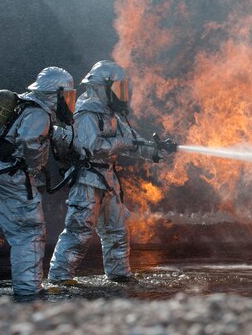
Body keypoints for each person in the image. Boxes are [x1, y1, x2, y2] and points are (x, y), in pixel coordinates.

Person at [48, 60, 176, 284]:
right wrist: (122, 142)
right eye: (117, 88)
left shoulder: (112, 116)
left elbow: (133, 143)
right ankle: (60, 279)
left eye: (122, 88)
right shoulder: (86, 113)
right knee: (79, 232)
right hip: (87, 180)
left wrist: (157, 151)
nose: (121, 94)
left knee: (117, 232)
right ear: (102, 87)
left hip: (107, 181)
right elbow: (90, 147)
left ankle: (119, 275)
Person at [0, 67, 76, 297]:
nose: (68, 100)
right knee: (29, 232)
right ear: (54, 93)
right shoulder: (40, 113)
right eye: (66, 95)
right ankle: (28, 290)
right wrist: (34, 166)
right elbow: (29, 139)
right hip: (14, 179)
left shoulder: (23, 104)